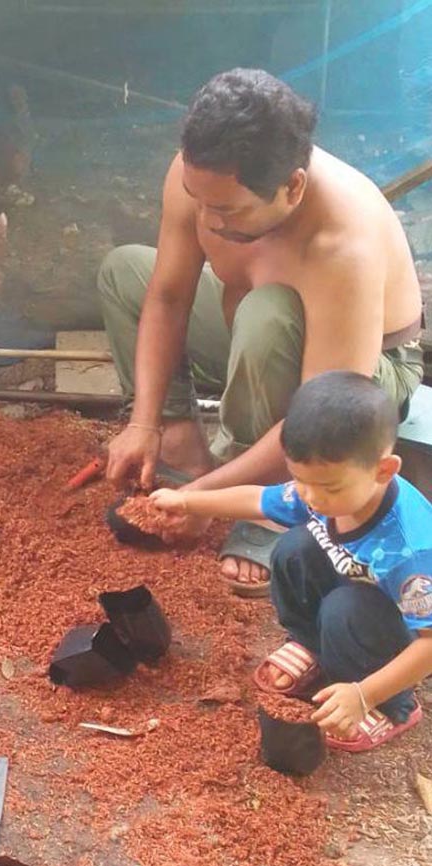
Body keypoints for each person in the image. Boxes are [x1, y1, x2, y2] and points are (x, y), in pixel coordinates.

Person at [98, 68, 424, 597]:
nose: (205, 217)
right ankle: (182, 446)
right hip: (253, 329)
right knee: (126, 272)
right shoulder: (200, 175)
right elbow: (168, 297)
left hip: (359, 380)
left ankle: (272, 503)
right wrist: (146, 423)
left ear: (292, 186)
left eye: (226, 209)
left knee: (267, 315)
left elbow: (322, 412)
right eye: (196, 198)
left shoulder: (341, 241)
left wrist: (201, 499)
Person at [150, 371, 431, 752]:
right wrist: (188, 500)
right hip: (358, 585)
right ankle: (313, 645)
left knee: (344, 609)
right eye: (299, 480)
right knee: (294, 546)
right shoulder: (321, 487)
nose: (310, 497)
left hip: (397, 623)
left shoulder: (410, 550)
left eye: (328, 487)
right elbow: (257, 500)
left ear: (384, 471)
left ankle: (392, 705)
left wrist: (363, 694)